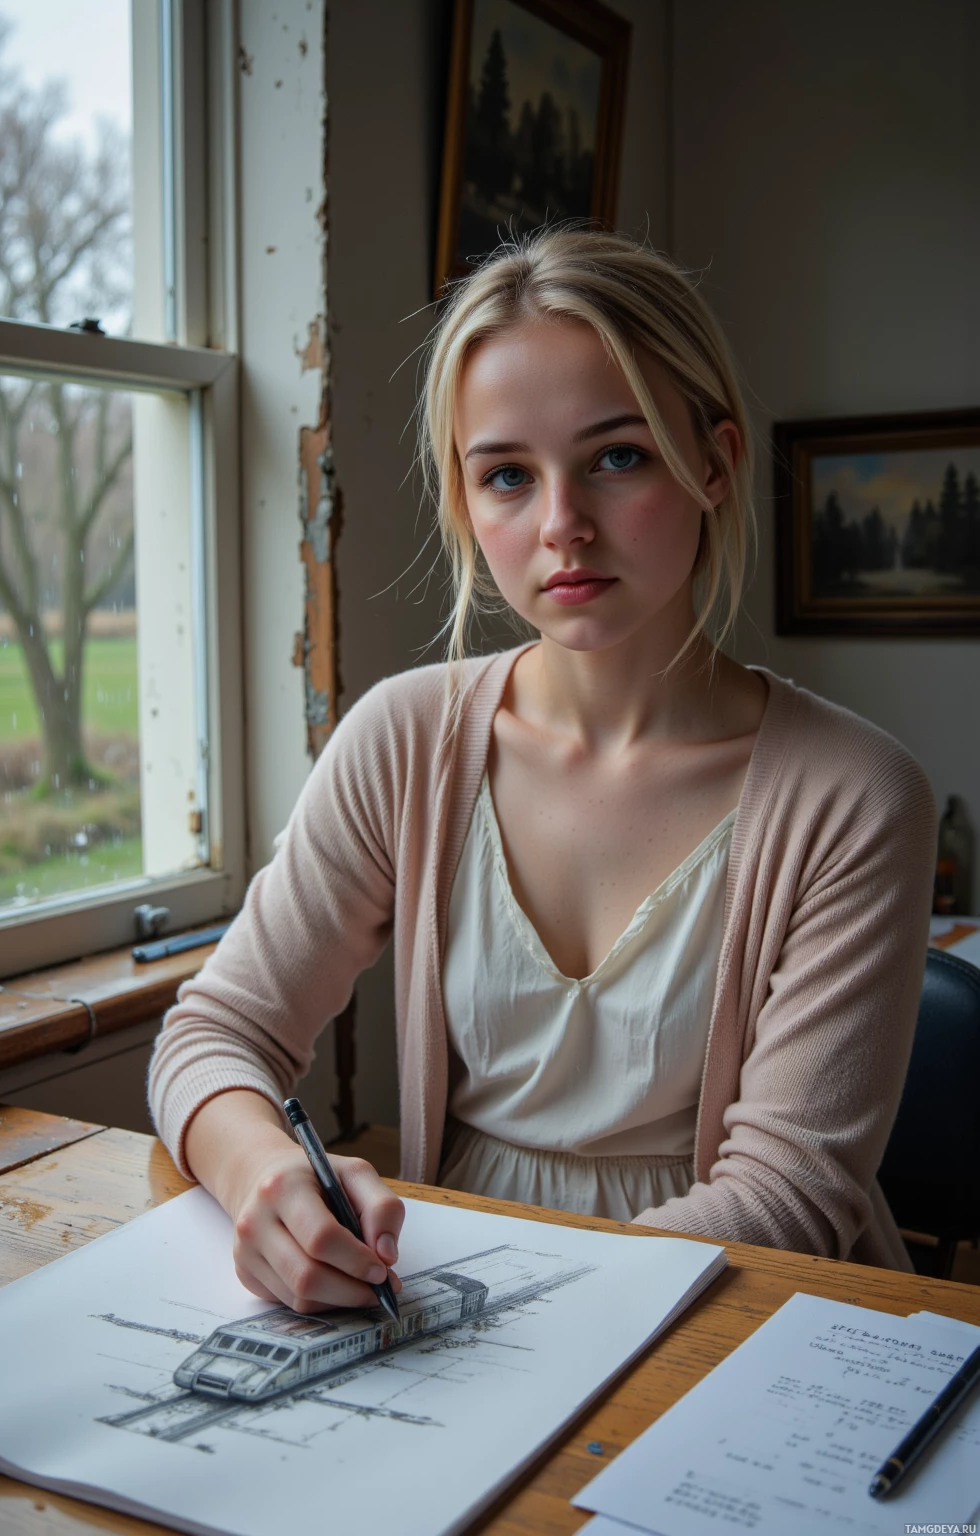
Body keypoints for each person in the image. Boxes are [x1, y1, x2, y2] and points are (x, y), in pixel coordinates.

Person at [148, 228, 936, 1318]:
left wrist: (508, 1322)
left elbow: (786, 1195)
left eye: (618, 456)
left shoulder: (857, 796)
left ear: (712, 462)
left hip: (731, 1313)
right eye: (508, 475)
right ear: (466, 504)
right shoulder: (403, 741)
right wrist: (262, 1173)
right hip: (438, 1305)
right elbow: (212, 1035)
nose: (560, 526)